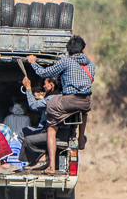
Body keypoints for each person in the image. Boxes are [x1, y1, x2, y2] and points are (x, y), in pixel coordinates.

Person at [27, 35, 95, 174]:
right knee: (83, 112)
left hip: (69, 100)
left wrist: (33, 62)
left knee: (51, 125)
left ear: (68, 50)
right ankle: (81, 138)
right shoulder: (91, 65)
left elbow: (44, 72)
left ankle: (51, 166)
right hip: (86, 101)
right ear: (83, 49)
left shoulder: (66, 62)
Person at [18, 76, 62, 168]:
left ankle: (31, 160)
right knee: (26, 131)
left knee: (24, 134)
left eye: (45, 84)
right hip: (50, 130)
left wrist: (28, 88)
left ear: (51, 85)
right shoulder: (58, 97)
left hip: (47, 131)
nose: (44, 86)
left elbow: (33, 106)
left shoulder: (52, 99)